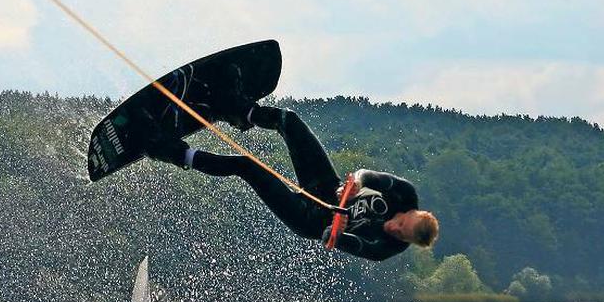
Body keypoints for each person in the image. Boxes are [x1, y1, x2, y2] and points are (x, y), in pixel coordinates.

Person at [144, 98, 439, 261]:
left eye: (401, 235)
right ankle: (239, 110)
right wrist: (358, 184)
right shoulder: (404, 193)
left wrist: (337, 232)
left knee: (247, 166)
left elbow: (333, 240)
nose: (394, 228)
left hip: (307, 218)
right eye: (401, 223)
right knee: (289, 120)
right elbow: (367, 175)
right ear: (411, 212)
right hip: (326, 185)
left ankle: (175, 153)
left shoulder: (386, 248)